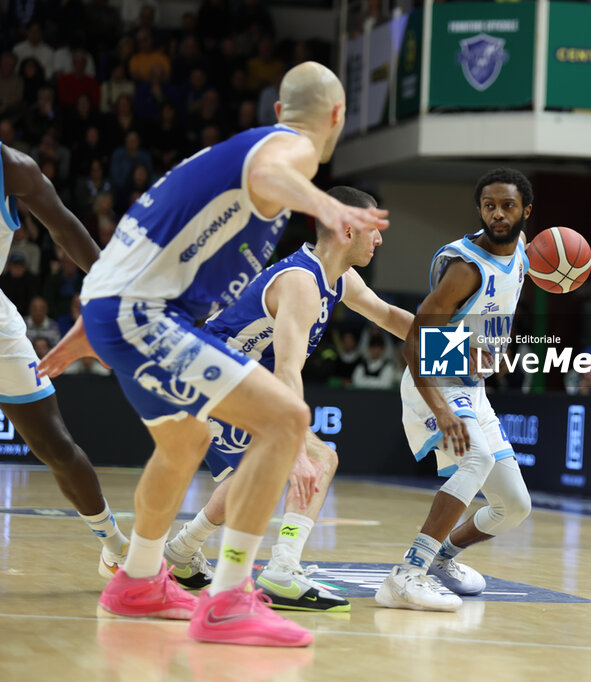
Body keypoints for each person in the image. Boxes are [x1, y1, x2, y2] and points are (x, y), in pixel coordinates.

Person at [39, 62, 388, 647]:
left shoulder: (227, 160)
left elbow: (143, 240)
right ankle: (229, 600)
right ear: (337, 117)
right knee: (287, 419)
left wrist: (89, 326)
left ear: (279, 107)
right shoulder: (292, 149)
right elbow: (278, 167)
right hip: (141, 314)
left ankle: (140, 580)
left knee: (186, 442)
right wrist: (327, 207)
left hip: (122, 305)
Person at [163, 186, 413, 614]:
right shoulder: (300, 283)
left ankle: (180, 552)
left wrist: (459, 347)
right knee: (317, 459)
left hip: (225, 379)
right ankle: (282, 568)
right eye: (374, 228)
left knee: (247, 477)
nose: (380, 239)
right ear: (347, 229)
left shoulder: (336, 277)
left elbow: (389, 316)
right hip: (215, 380)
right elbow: (287, 371)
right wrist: (294, 447)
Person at [374, 168, 534, 612]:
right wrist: (442, 409)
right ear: (480, 210)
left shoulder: (522, 250)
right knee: (476, 457)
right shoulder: (465, 268)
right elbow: (414, 342)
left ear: (526, 212)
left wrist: (490, 349)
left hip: (472, 388)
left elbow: (497, 310)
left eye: (507, 205)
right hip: (435, 381)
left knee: (514, 507)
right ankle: (406, 573)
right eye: (489, 206)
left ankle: (443, 557)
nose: (498, 214)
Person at [0, 136, 130, 579]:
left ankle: (116, 547)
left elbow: (66, 228)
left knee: (53, 442)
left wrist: (110, 288)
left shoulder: (13, 167)